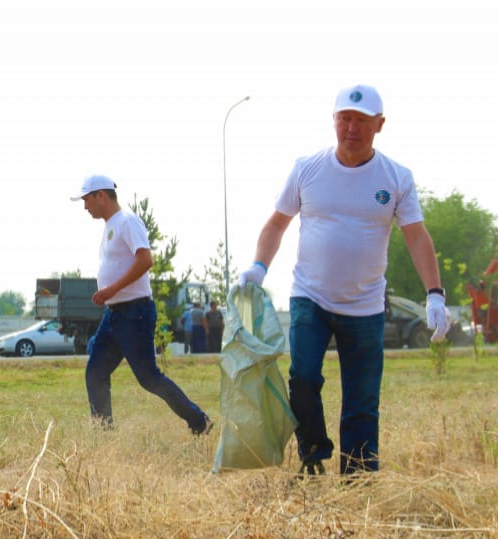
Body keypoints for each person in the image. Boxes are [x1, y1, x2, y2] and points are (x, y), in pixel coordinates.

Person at [238, 84, 450, 476]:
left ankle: (357, 475)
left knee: (363, 398)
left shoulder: (396, 178)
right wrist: (258, 267)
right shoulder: (307, 169)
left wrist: (434, 294)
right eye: (345, 119)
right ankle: (312, 454)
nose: (352, 128)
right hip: (310, 298)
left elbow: (417, 236)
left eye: (362, 121)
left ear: (379, 125)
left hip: (366, 305)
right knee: (302, 378)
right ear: (334, 121)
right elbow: (276, 224)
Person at [71, 174, 212, 434]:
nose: (85, 206)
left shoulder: (128, 222)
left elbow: (145, 260)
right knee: (95, 372)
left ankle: (199, 421)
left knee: (149, 378)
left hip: (134, 313)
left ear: (101, 195)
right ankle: (104, 435)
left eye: (87, 199)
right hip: (114, 314)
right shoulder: (110, 226)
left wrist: (111, 288)